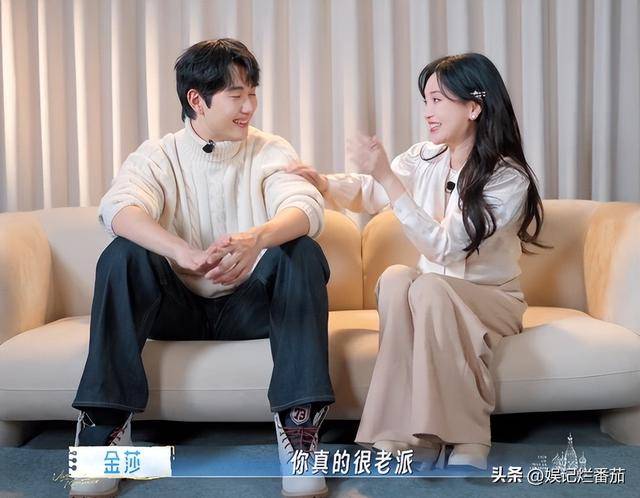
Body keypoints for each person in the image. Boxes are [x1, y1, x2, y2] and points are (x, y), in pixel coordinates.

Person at [69, 38, 333, 498]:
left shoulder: (270, 150)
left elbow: (305, 206)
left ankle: (301, 435)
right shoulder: (159, 154)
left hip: (251, 308)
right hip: (175, 309)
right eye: (236, 95)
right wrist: (183, 253)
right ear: (197, 99)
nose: (249, 107)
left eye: (253, 93)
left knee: (302, 250)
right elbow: (118, 208)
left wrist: (256, 239)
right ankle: (104, 430)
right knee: (122, 253)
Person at [289, 52, 545, 471]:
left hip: (492, 300)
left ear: (474, 107)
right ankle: (402, 430)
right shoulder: (425, 157)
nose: (428, 112)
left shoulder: (507, 178)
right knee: (396, 278)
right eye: (426, 101)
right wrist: (323, 183)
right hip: (431, 296)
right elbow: (371, 192)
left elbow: (448, 248)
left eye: (438, 100)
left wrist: (389, 178)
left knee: (428, 286)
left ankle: (467, 436)